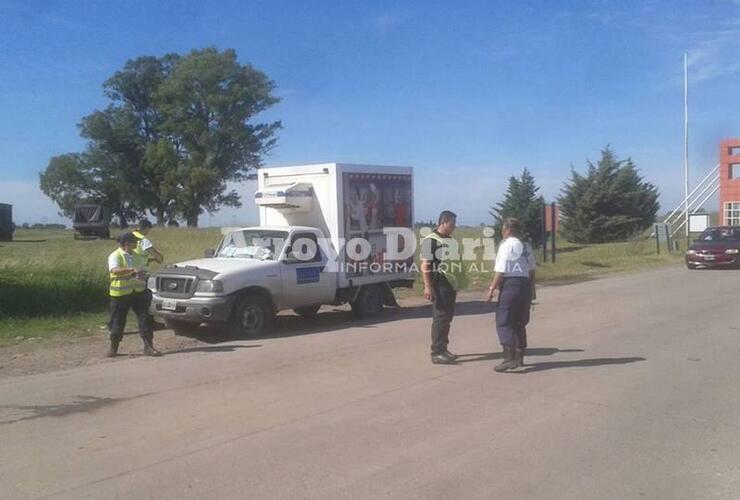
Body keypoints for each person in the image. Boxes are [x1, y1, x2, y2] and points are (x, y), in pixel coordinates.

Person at [484, 218, 536, 372]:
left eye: (502, 229)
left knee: (504, 321)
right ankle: (520, 357)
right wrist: (532, 291)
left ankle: (509, 359)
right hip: (525, 285)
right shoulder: (526, 246)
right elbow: (532, 270)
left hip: (510, 285)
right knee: (519, 322)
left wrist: (491, 289)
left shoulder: (505, 245)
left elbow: (500, 270)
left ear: (507, 230)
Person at [107, 232, 162, 357]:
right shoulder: (115, 255)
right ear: (126, 243)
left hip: (139, 292)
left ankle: (149, 347)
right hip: (120, 294)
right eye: (134, 241)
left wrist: (155, 259)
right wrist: (132, 271)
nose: (137, 243)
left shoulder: (137, 255)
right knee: (118, 321)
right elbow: (114, 270)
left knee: (145, 318)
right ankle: (113, 348)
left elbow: (147, 262)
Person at [421, 210, 465, 364]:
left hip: (450, 284)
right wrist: (427, 286)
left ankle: (444, 348)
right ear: (443, 222)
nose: (454, 227)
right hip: (438, 284)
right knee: (440, 317)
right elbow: (425, 265)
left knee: (447, 318)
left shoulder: (450, 240)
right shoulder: (430, 240)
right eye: (452, 224)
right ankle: (436, 352)